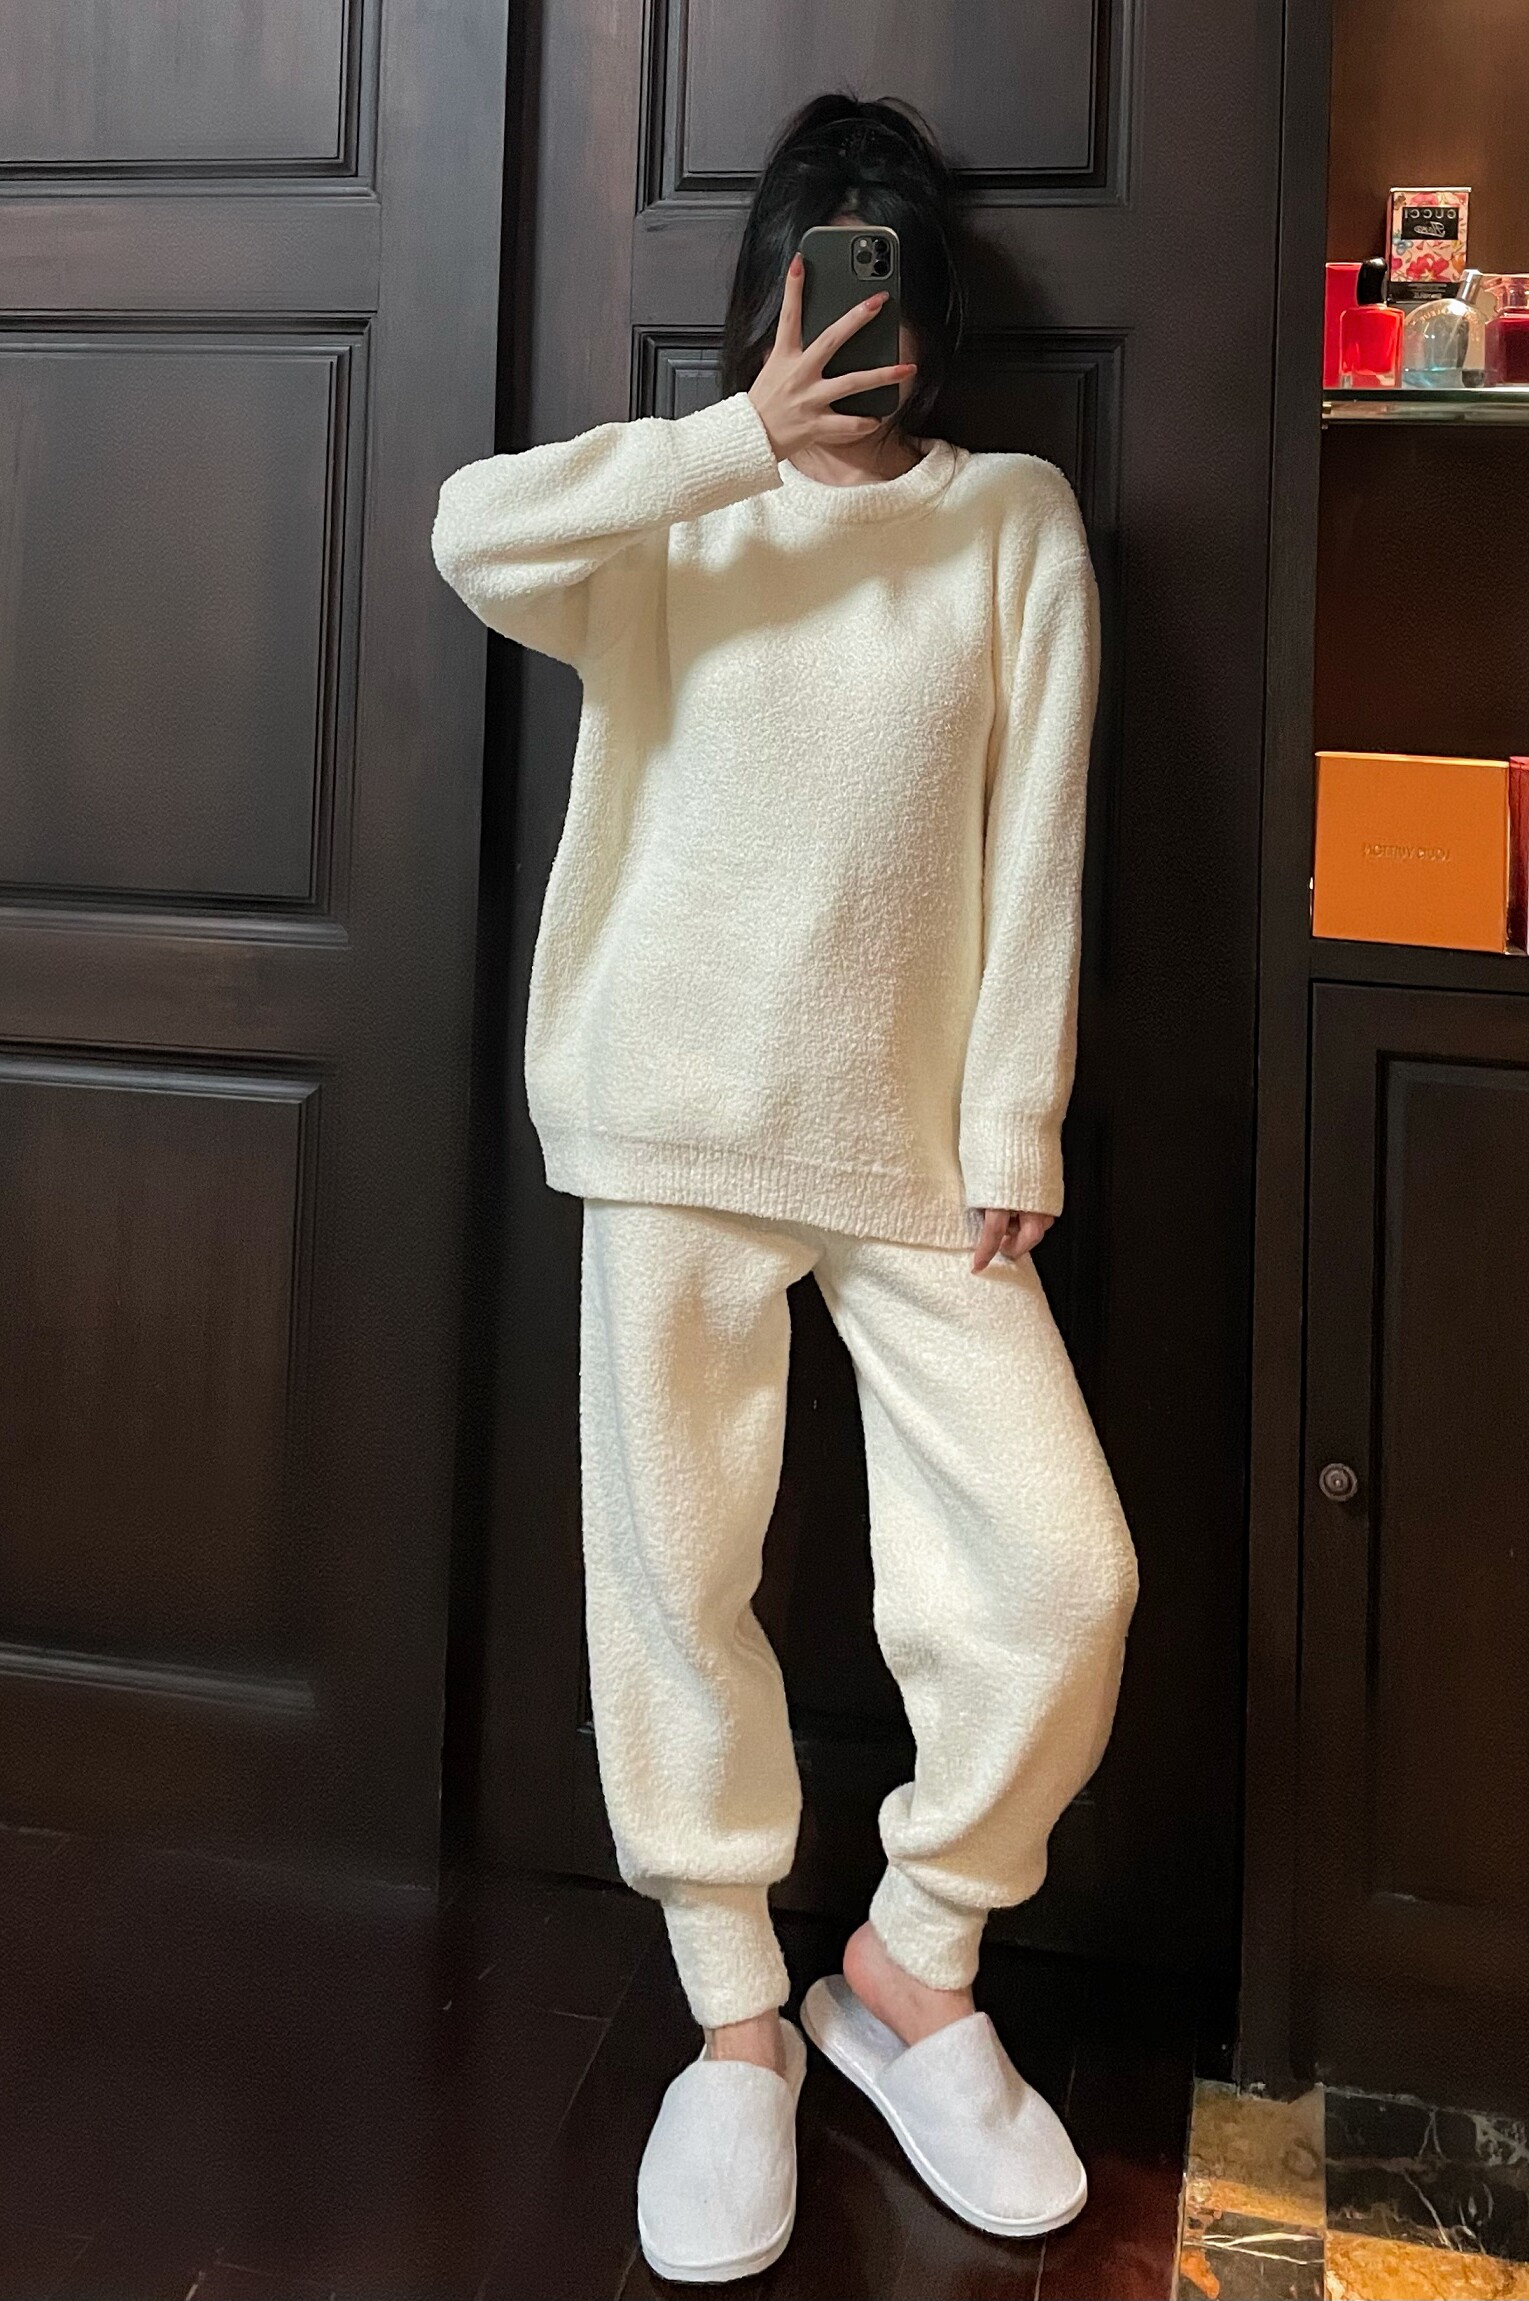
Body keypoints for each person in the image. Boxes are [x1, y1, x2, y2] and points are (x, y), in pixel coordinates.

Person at [432, 91, 1139, 2287]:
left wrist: (1014, 1122)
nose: (856, 323)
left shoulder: (1011, 520)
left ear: (933, 310)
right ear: (770, 292)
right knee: (673, 1575)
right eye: (823, 274)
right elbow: (469, 534)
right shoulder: (680, 508)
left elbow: (1041, 836)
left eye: (886, 278)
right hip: (670, 1118)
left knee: (1064, 1573)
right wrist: (734, 435)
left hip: (916, 1155)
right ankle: (737, 2016)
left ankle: (911, 1969)